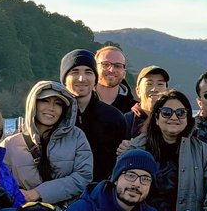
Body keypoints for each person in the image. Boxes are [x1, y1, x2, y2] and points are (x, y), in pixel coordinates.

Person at [119, 89, 207, 211]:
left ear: (188, 118)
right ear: (156, 118)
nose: (174, 117)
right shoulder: (135, 149)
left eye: (181, 113)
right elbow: (118, 192)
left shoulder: (203, 153)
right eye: (166, 113)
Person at [0, 81, 93, 206]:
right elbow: (0, 182)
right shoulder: (10, 144)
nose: (51, 108)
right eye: (45, 101)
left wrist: (38, 193)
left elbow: (83, 177)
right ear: (33, 104)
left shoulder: (77, 137)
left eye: (58, 104)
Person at [61, 49, 128, 183]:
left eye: (88, 72)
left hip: (101, 193)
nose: (82, 78)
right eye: (75, 72)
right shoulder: (55, 115)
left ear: (95, 78)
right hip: (59, 192)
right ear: (64, 78)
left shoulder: (114, 117)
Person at [125, 65, 171, 139]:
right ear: (138, 91)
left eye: (160, 84)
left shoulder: (174, 121)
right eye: (149, 84)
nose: (154, 89)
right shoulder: (126, 121)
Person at [95, 44, 136, 113]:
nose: (111, 70)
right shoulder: (78, 103)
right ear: (95, 68)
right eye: (105, 64)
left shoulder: (134, 111)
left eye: (117, 66)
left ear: (124, 73)